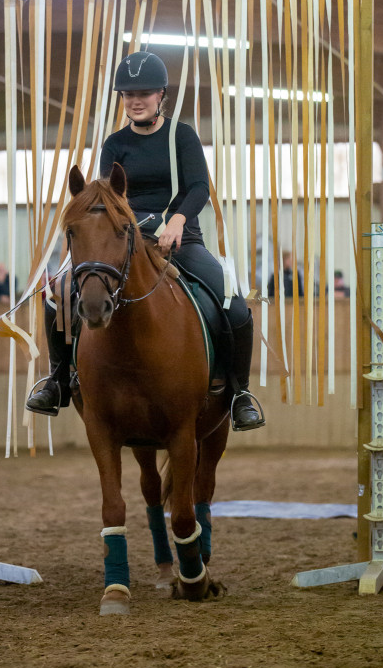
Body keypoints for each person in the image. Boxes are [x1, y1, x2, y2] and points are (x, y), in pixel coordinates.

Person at [26, 50, 265, 431]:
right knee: (58, 296)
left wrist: (178, 221)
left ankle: (238, 394)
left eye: (144, 94)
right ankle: (56, 381)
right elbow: (108, 197)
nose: (135, 101)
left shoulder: (181, 136)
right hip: (124, 243)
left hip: (180, 240)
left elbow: (200, 187)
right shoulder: (114, 143)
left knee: (234, 306)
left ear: (160, 97)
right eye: (127, 95)